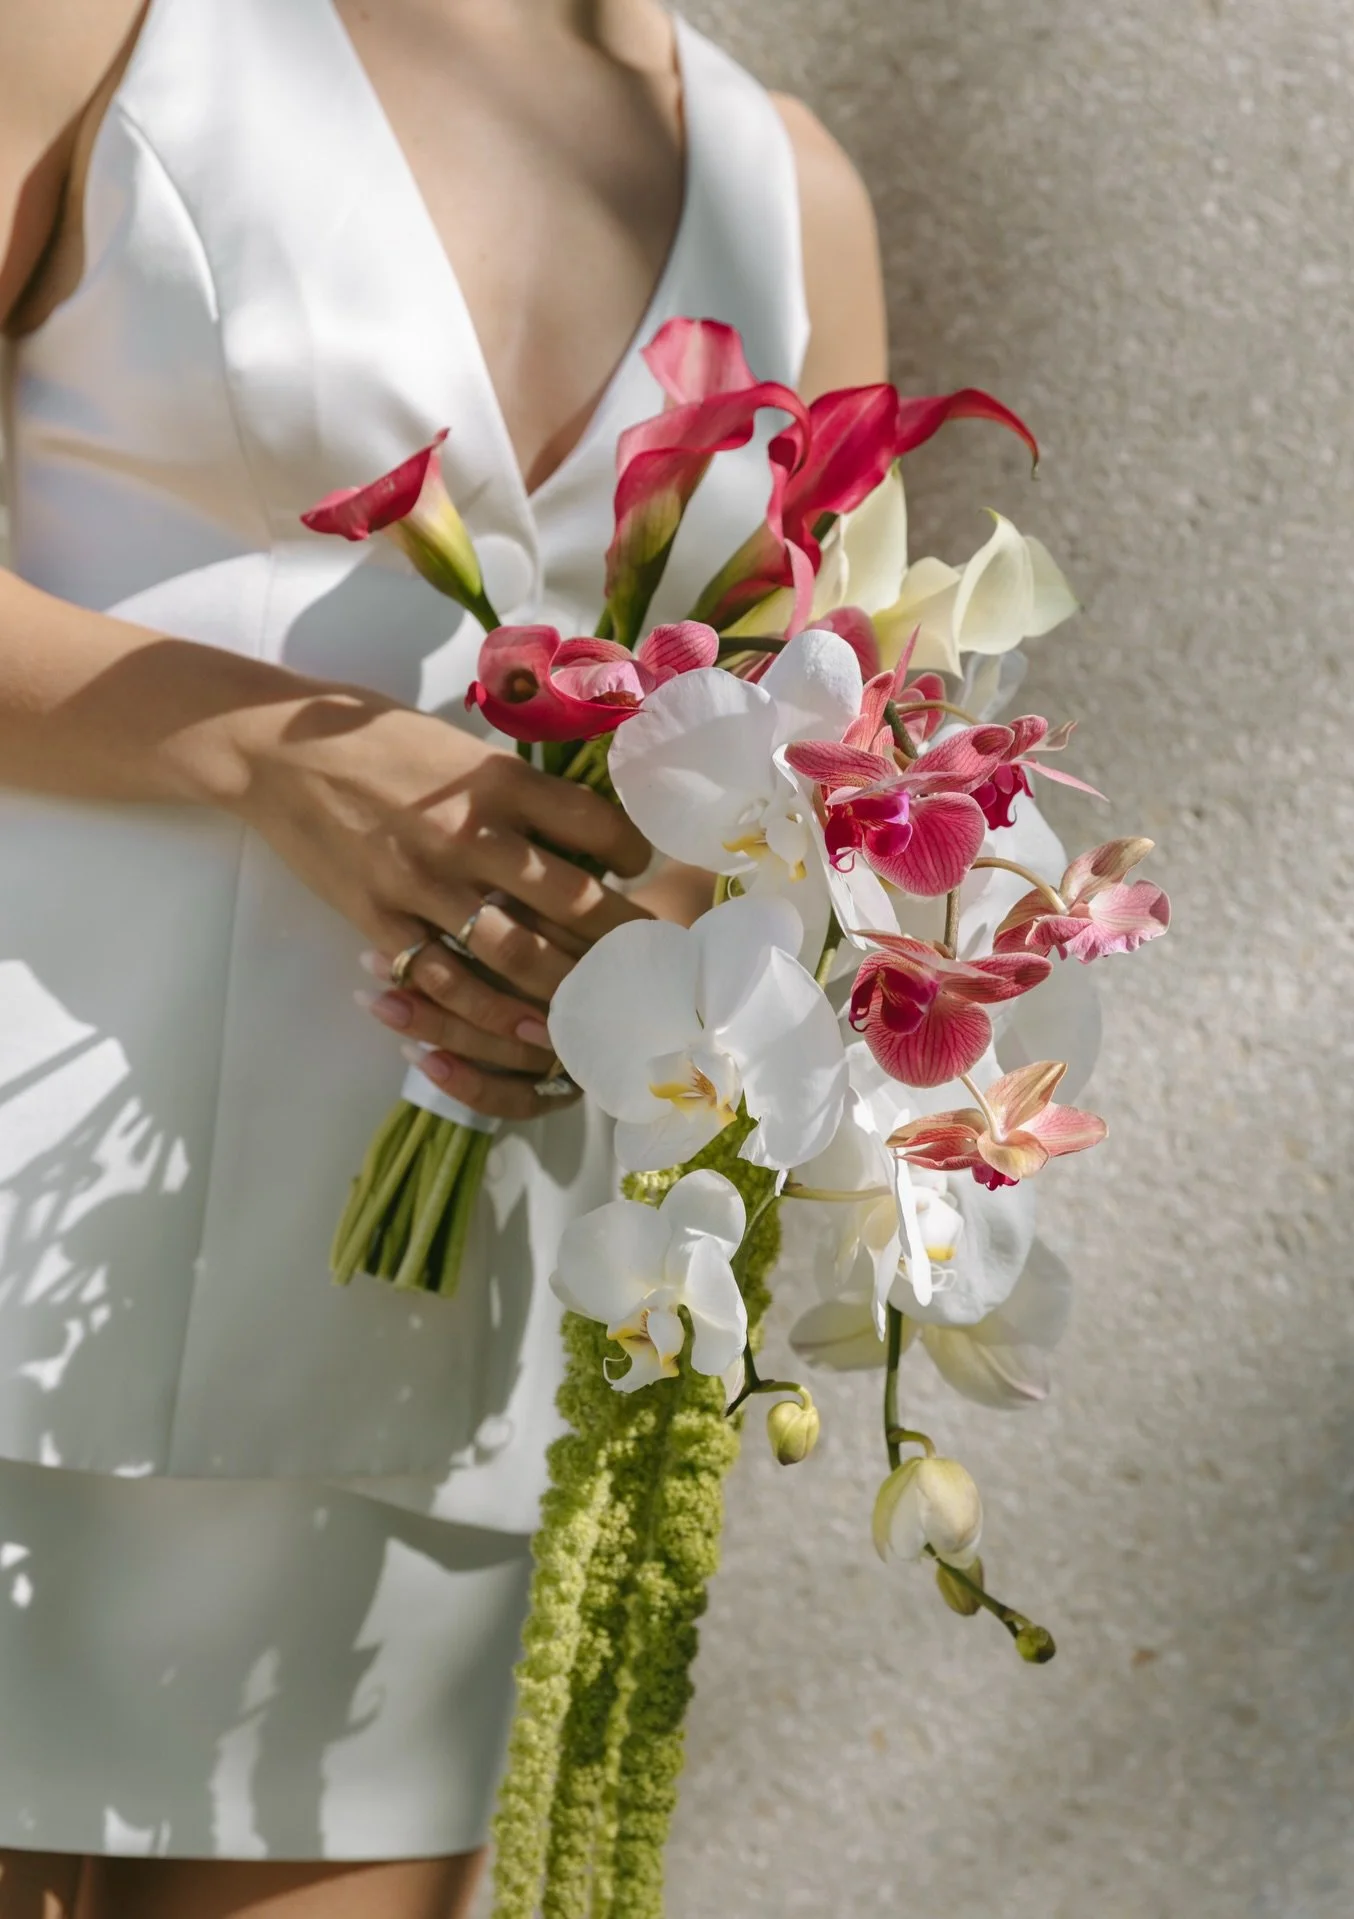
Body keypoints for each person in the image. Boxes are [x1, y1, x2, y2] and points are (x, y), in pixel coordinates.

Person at [0, 0, 885, 1914]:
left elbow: (801, 784)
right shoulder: (107, 35)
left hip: (431, 1341)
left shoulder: (788, 192)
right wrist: (265, 750)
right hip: (26, 1229)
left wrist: (626, 970)